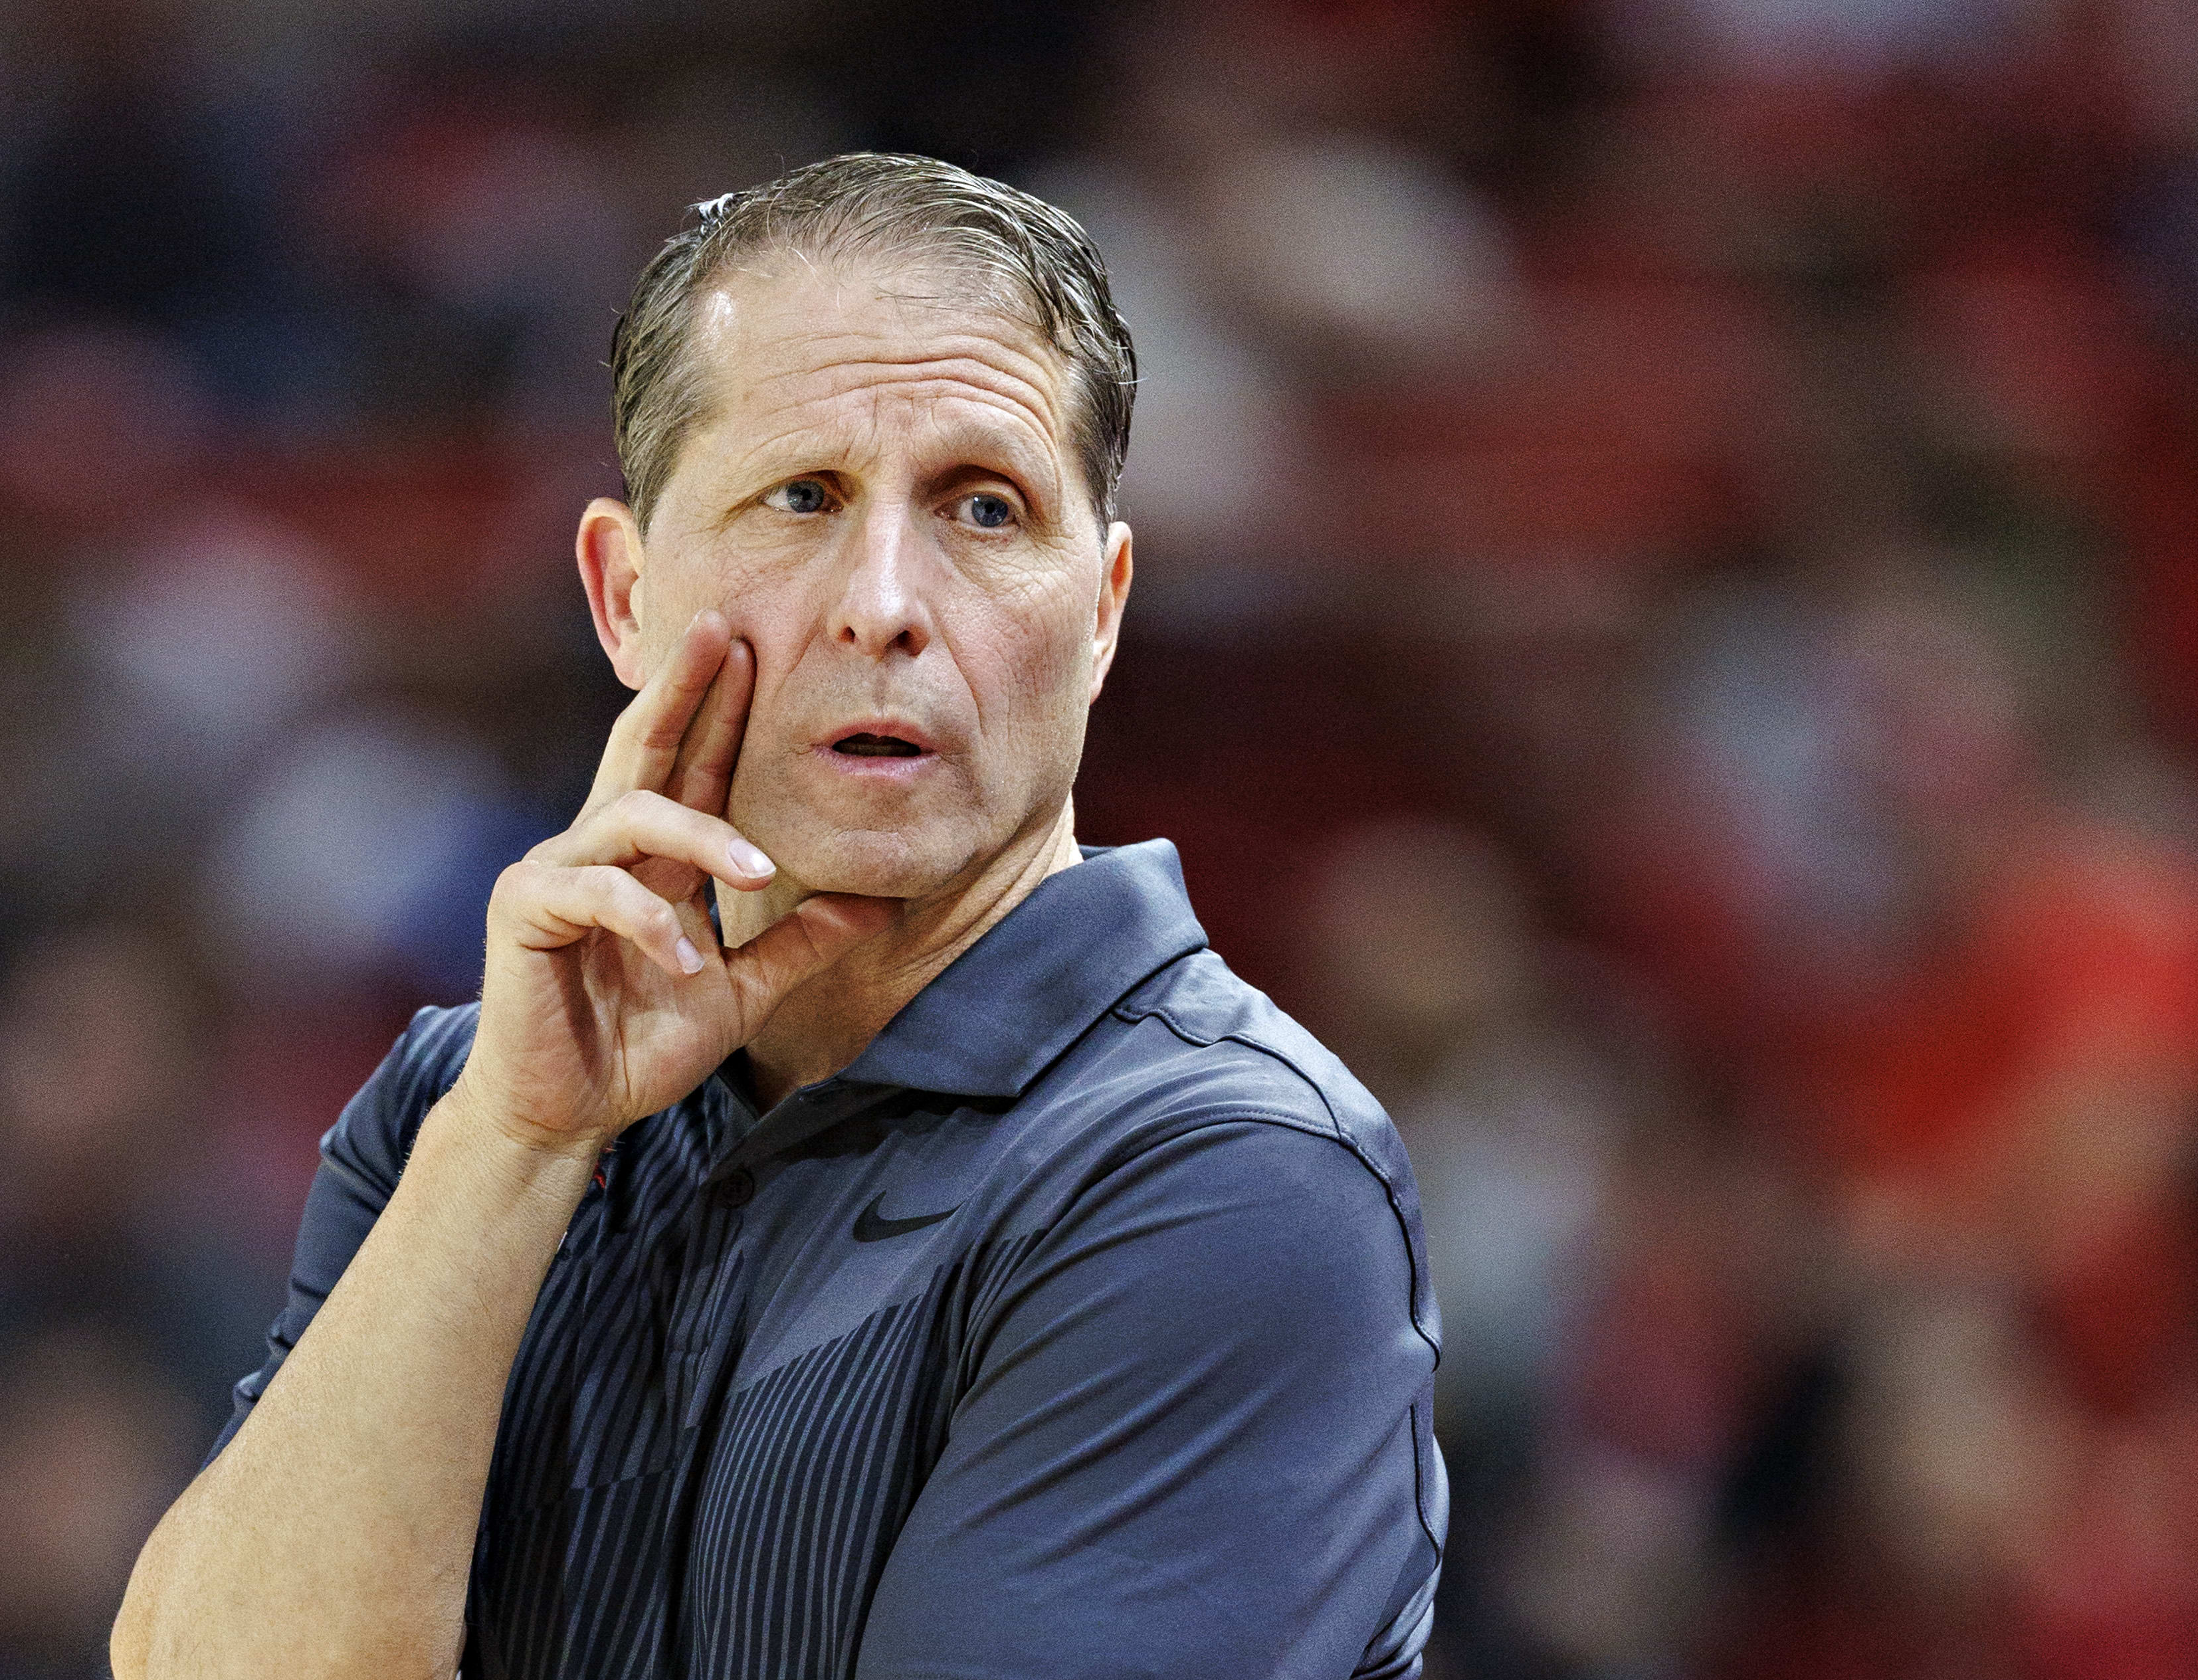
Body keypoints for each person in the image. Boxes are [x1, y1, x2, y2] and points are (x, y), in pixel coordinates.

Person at [110, 152, 1445, 1680]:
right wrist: (514, 1144)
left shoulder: (1227, 1172)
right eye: (801, 496)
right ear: (621, 595)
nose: (883, 599)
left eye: (984, 507)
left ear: (1101, 612)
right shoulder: (456, 1102)